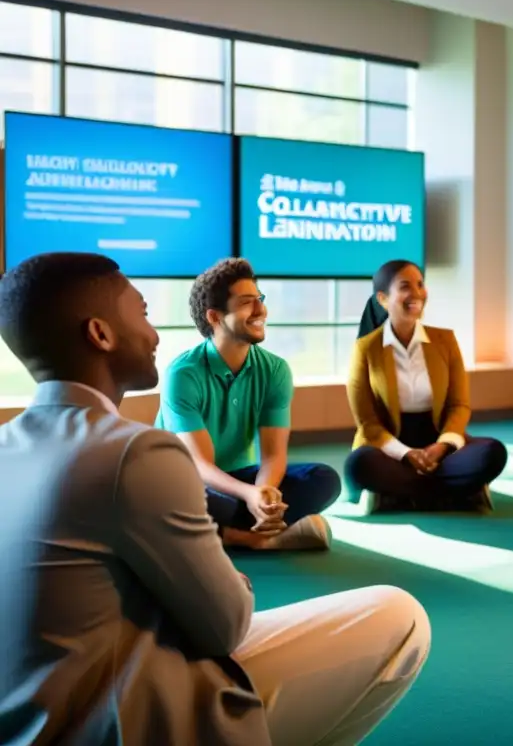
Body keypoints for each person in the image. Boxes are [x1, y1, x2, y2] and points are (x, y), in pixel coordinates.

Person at [0, 252, 430, 745]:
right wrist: (227, 576)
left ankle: (238, 531)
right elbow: (226, 627)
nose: (155, 334)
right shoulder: (139, 451)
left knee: (315, 480)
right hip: (116, 720)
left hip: (37, 715)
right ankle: (245, 537)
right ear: (101, 334)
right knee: (400, 617)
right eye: (142, 313)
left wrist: (260, 492)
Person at [155, 258, 340, 551]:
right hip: (189, 481)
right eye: (246, 302)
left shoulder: (275, 370)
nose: (260, 310)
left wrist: (265, 494)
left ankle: (228, 530)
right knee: (160, 494)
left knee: (324, 479)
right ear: (215, 317)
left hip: (240, 480)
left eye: (260, 299)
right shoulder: (183, 374)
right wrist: (249, 495)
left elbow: (273, 455)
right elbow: (200, 466)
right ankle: (251, 536)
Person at [344, 259, 508, 512]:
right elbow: (367, 422)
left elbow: (459, 405)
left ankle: (402, 494)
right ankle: (454, 491)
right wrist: (407, 454)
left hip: (441, 448)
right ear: (383, 299)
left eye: (420, 285)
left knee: (492, 453)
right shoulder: (365, 348)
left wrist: (442, 446)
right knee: (360, 464)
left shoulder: (445, 340)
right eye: (405, 286)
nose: (417, 293)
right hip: (390, 449)